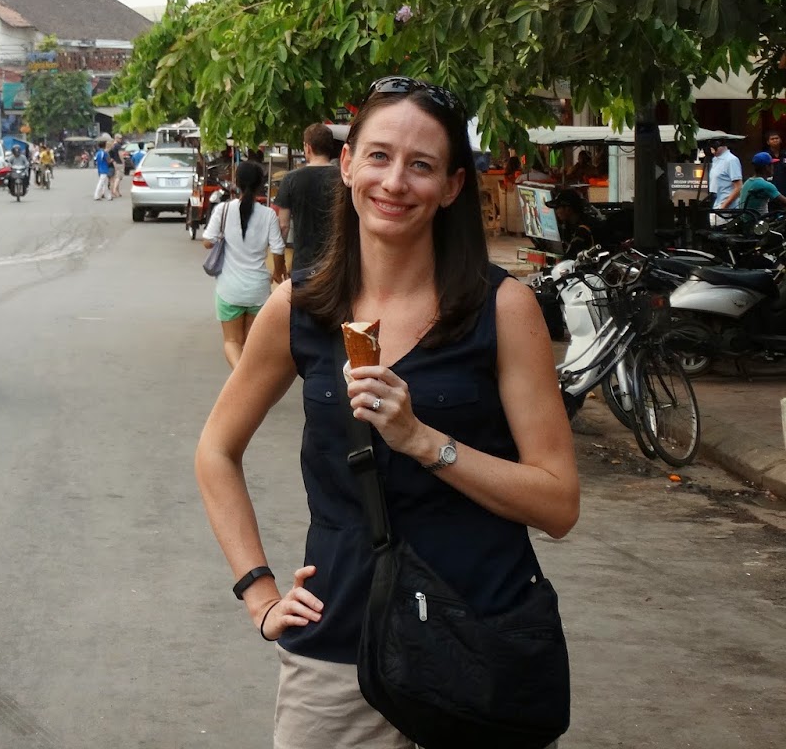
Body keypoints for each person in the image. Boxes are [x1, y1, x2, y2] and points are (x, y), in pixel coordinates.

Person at [195, 75, 578, 746]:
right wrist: (259, 594)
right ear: (347, 165)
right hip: (338, 651)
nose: (395, 182)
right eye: (378, 156)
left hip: (480, 642)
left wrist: (425, 441)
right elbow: (215, 451)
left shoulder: (502, 310)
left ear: (452, 187)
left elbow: (558, 503)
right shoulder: (299, 308)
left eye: (421, 165)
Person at [203, 160, 287, 370]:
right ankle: (245, 378)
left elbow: (207, 241)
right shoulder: (268, 215)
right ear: (260, 185)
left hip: (229, 289)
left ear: (236, 182)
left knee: (232, 341)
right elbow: (278, 249)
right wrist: (278, 272)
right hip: (258, 289)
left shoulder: (223, 210)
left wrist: (224, 235)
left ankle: (239, 378)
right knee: (251, 344)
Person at [273, 123, 341, 276]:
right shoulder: (343, 179)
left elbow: (283, 226)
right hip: (336, 265)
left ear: (308, 147)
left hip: (303, 264)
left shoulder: (290, 179)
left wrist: (280, 261)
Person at [545, 187, 596, 260]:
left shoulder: (583, 230)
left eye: (557, 208)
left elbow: (570, 258)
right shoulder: (570, 225)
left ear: (568, 209)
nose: (556, 212)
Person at [707, 140, 743, 223]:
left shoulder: (731, 160)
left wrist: (723, 207)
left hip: (726, 209)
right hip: (715, 206)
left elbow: (738, 187)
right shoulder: (715, 159)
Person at [739, 151, 783, 216]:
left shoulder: (747, 182)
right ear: (767, 167)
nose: (773, 167)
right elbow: (783, 202)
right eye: (772, 165)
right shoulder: (765, 185)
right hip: (758, 220)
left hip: (745, 220)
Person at [767, 130, 786, 196]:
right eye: (772, 139)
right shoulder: (766, 156)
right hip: (770, 189)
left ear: (780, 140)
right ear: (768, 142)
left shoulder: (785, 154)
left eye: (777, 138)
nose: (775, 140)